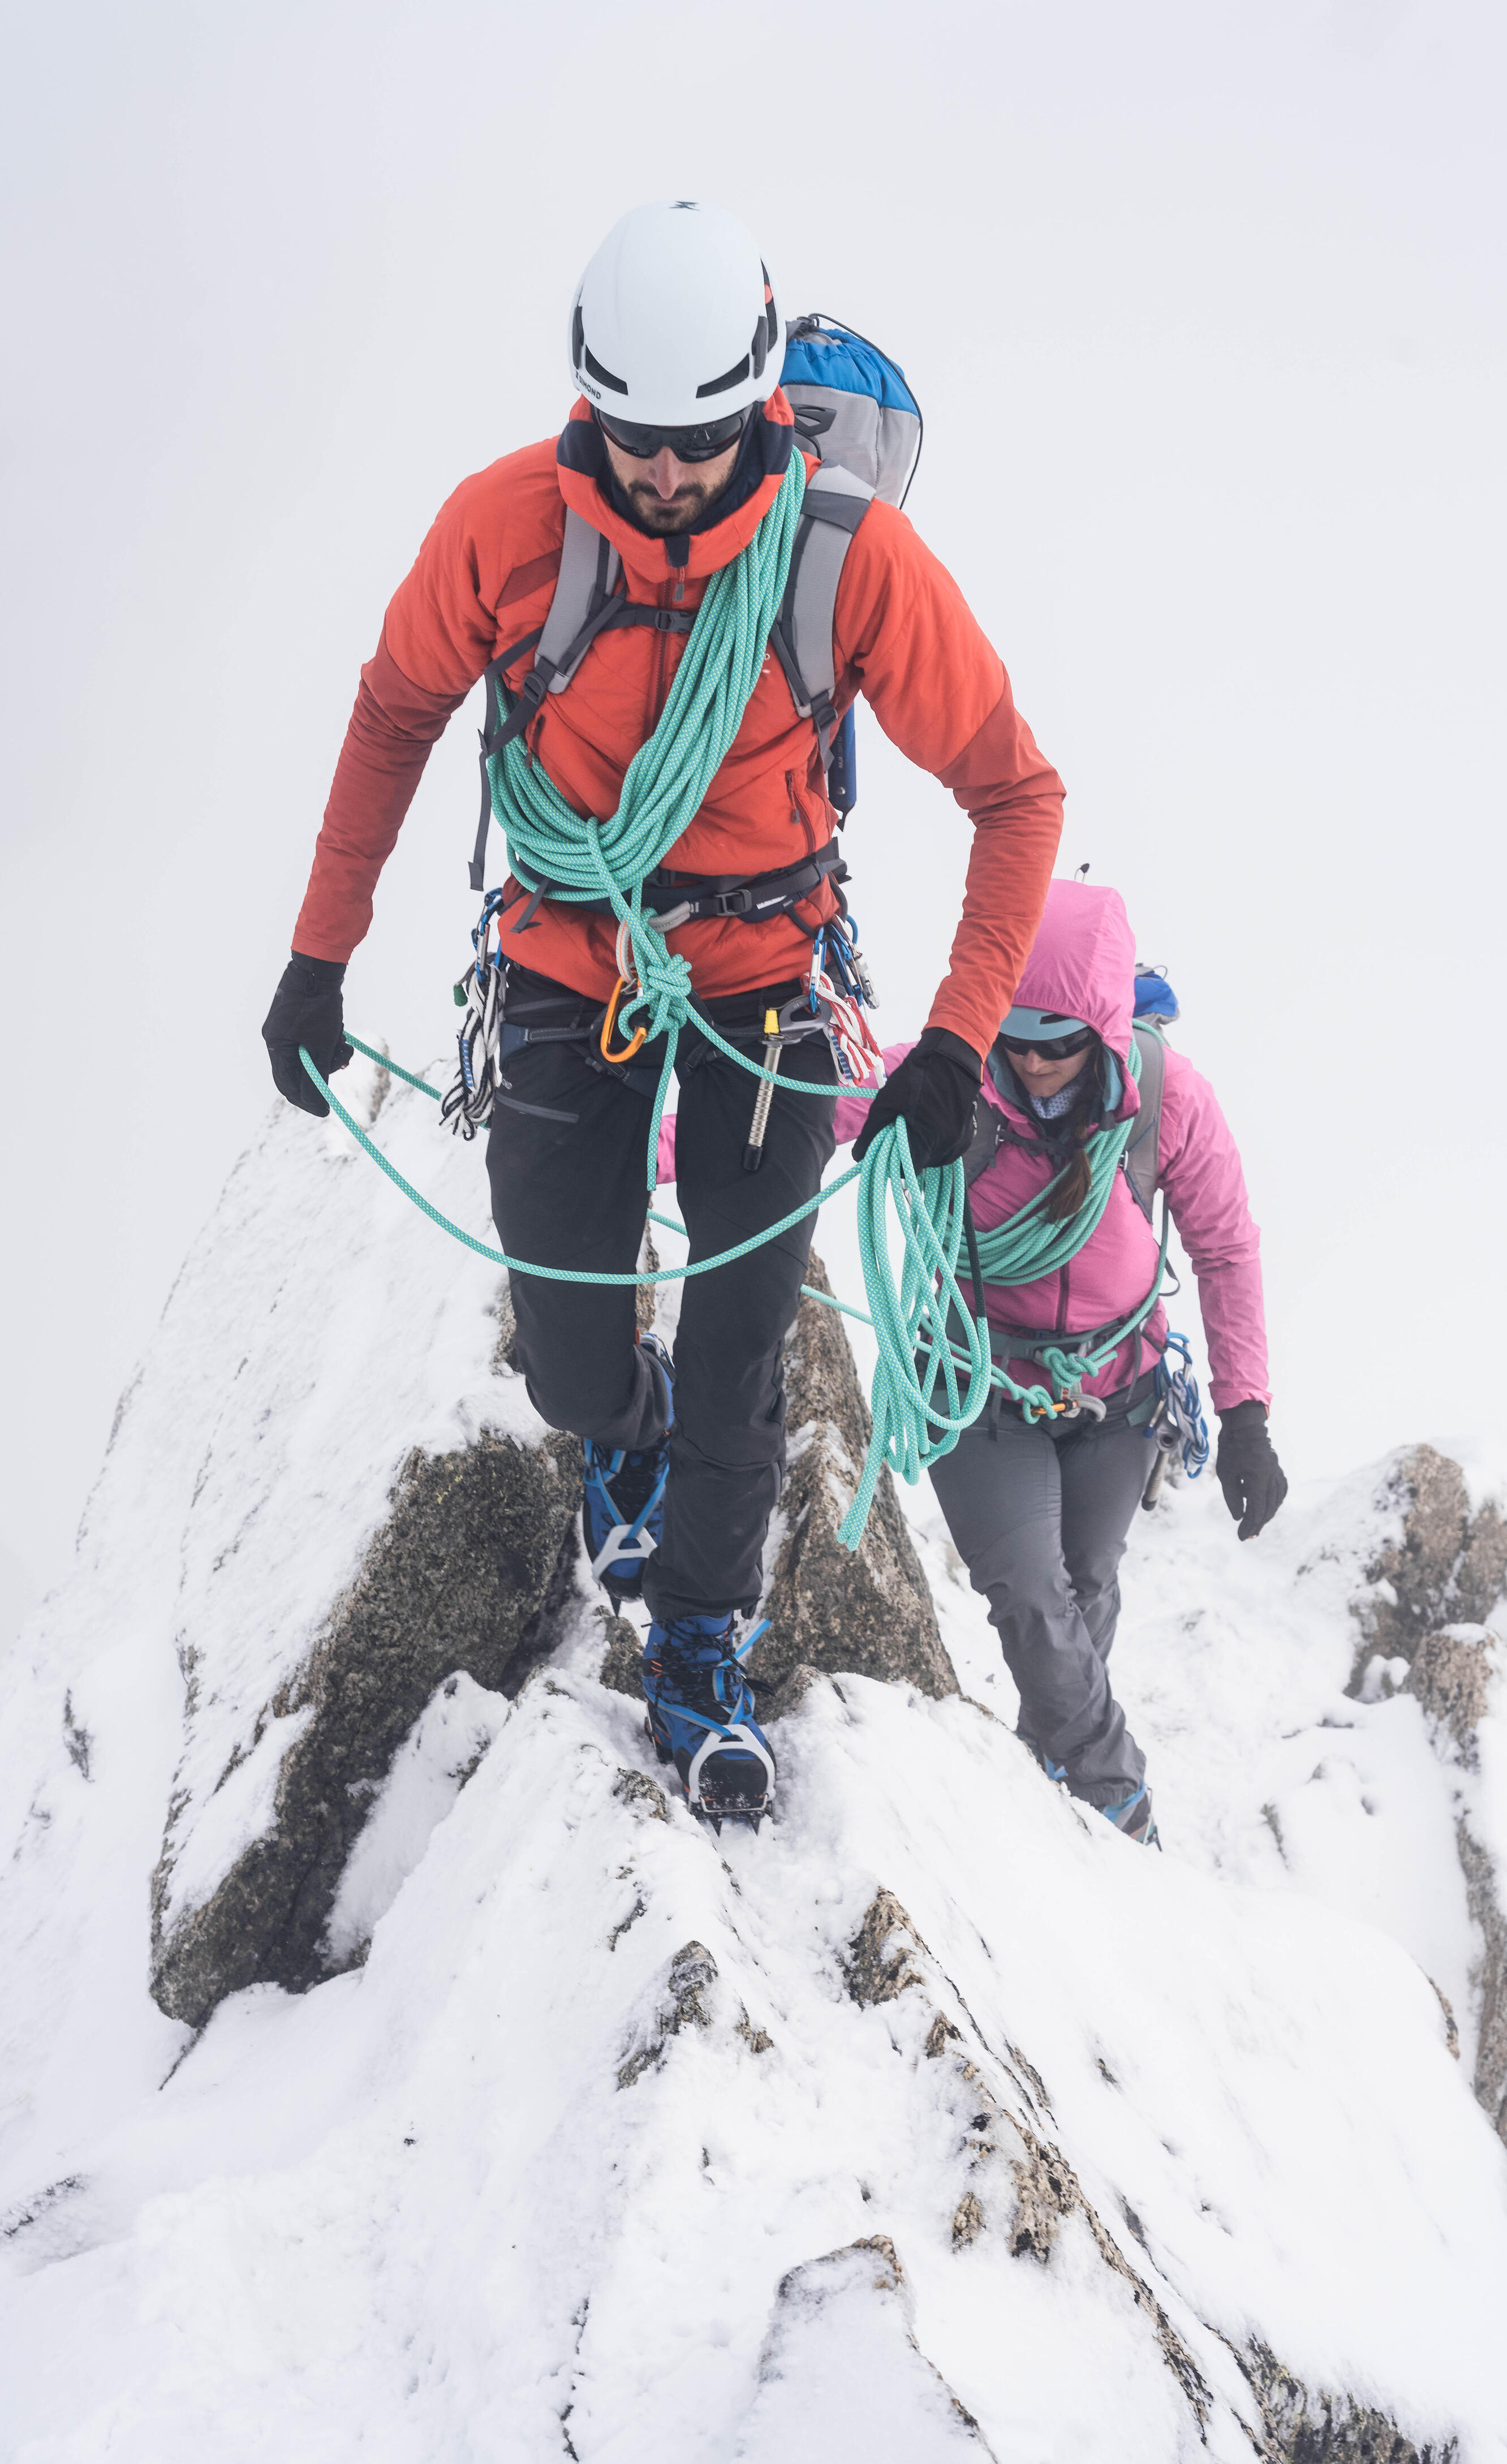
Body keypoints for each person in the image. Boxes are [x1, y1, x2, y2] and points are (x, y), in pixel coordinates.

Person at [262, 200, 1066, 1819]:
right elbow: (395, 708)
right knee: (567, 1346)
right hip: (571, 964)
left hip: (768, 986)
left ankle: (702, 1648)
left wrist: (963, 1033)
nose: (669, 472)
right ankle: (609, 1432)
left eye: (702, 437)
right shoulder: (504, 531)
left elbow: (1016, 793)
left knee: (739, 1345)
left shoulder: (849, 556)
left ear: (760, 401)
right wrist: (318, 951)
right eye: (636, 437)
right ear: (589, 403)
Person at [912, 878, 1285, 1846]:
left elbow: (1227, 1249)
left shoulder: (1166, 1099)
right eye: (1016, 1036)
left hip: (1117, 1390)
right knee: (1033, 1592)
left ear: (1107, 1028)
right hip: (981, 1381)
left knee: (1087, 1578)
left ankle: (1047, 1789)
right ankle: (1115, 1797)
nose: (1032, 1062)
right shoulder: (952, 1084)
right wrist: (644, 1152)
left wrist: (1245, 1414)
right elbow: (814, 1111)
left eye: (1059, 1041)